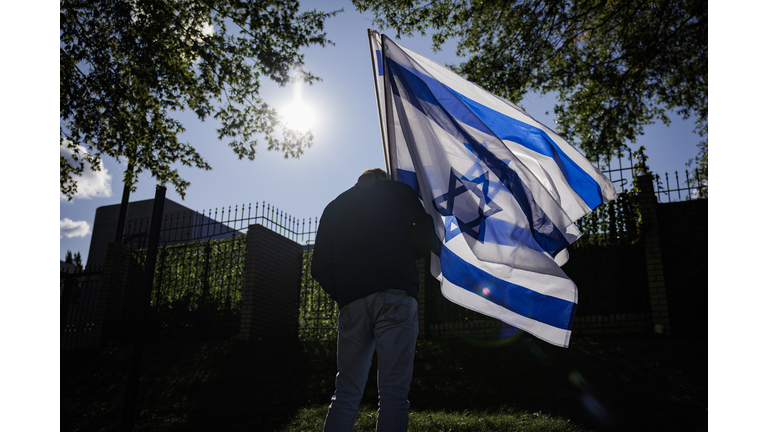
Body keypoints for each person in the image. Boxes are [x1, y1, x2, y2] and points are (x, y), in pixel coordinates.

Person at [311, 168, 432, 431]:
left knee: (345, 392)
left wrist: (344, 292)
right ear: (384, 178)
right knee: (393, 395)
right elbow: (422, 239)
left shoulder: (334, 207)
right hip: (396, 292)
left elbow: (319, 266)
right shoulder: (401, 192)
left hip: (352, 301)